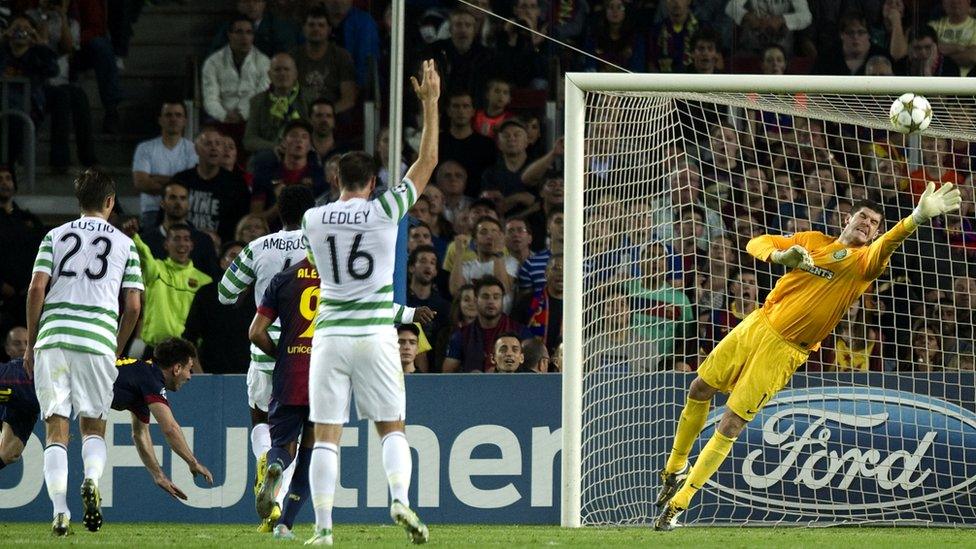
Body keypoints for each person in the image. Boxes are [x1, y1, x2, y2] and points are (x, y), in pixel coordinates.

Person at [654, 184, 962, 531]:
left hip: (786, 349)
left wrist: (917, 217)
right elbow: (756, 242)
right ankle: (675, 468)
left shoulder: (865, 263)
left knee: (731, 422)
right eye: (863, 216)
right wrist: (782, 257)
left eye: (874, 223)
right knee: (699, 388)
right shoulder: (812, 241)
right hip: (757, 324)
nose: (867, 224)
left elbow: (890, 242)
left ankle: (679, 503)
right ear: (847, 218)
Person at [300, 59, 440, 546]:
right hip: (378, 334)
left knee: (325, 434)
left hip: (331, 333)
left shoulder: (314, 219)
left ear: (338, 179)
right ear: (375, 182)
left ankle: (322, 529)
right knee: (392, 427)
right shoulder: (385, 210)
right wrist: (430, 104)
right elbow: (426, 164)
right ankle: (399, 497)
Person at [25, 168, 144, 536]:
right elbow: (135, 306)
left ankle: (60, 511)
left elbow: (36, 289)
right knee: (93, 427)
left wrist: (31, 343)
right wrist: (115, 349)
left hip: (54, 339)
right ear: (110, 202)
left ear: (79, 202)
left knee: (55, 429)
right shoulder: (126, 244)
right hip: (96, 341)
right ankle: (91, 479)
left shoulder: (54, 236)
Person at [0, 338, 213, 499]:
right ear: (177, 368)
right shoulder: (149, 378)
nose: (190, 376)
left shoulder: (144, 381)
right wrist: (193, 462)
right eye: (189, 369)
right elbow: (170, 428)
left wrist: (158, 475)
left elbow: (140, 434)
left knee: (8, 453)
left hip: (39, 399)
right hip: (34, 377)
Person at [217, 184, 315, 532]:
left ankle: (265, 463)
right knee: (297, 440)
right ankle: (277, 504)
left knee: (260, 419)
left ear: (279, 211)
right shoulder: (321, 248)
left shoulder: (258, 246)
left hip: (264, 348)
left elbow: (225, 294)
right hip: (307, 352)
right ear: (311, 212)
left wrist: (258, 291)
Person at [126, 222, 213, 358]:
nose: (182, 243)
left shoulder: (204, 281)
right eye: (176, 239)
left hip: (189, 353)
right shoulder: (155, 270)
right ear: (166, 244)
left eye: (186, 239)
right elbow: (144, 254)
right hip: (155, 350)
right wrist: (134, 237)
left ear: (192, 245)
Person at [172, 128, 252, 245]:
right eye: (208, 144)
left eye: (218, 144)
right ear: (196, 149)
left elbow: (241, 223)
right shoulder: (181, 179)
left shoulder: (236, 184)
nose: (213, 148)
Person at [182, 241, 251, 374]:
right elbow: (188, 339)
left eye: (244, 257)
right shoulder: (206, 294)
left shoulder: (260, 296)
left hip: (250, 379)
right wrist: (200, 375)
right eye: (233, 255)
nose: (239, 261)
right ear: (223, 263)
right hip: (212, 375)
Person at [442, 276, 532, 373]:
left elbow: (532, 369)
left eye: (496, 297)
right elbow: (447, 373)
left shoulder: (521, 332)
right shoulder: (461, 335)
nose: (491, 301)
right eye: (485, 297)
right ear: (476, 300)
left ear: (502, 301)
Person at [132, 101, 199, 228]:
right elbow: (141, 182)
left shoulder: (193, 150)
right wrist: (177, 183)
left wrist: (156, 179)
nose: (173, 119)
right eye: (168, 115)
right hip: (152, 210)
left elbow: (192, 183)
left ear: (185, 120)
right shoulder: (145, 148)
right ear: (160, 120)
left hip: (184, 212)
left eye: (178, 115)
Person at [138, 180, 220, 277]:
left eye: (183, 198)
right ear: (162, 203)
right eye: (173, 198)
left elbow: (212, 280)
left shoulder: (203, 241)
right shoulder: (145, 241)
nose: (178, 202)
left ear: (188, 203)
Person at [202, 15, 271, 126]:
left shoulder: (264, 62)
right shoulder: (213, 62)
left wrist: (242, 115)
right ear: (229, 35)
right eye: (239, 32)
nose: (244, 37)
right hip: (221, 119)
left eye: (249, 32)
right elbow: (210, 98)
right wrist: (224, 115)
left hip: (252, 120)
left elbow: (261, 96)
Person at [291, 6, 356, 114]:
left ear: (329, 30)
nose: (316, 29)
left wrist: (322, 115)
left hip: (333, 117)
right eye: (311, 25)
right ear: (303, 28)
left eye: (321, 25)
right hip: (300, 117)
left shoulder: (342, 57)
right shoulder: (292, 57)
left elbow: (348, 100)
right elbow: (285, 94)